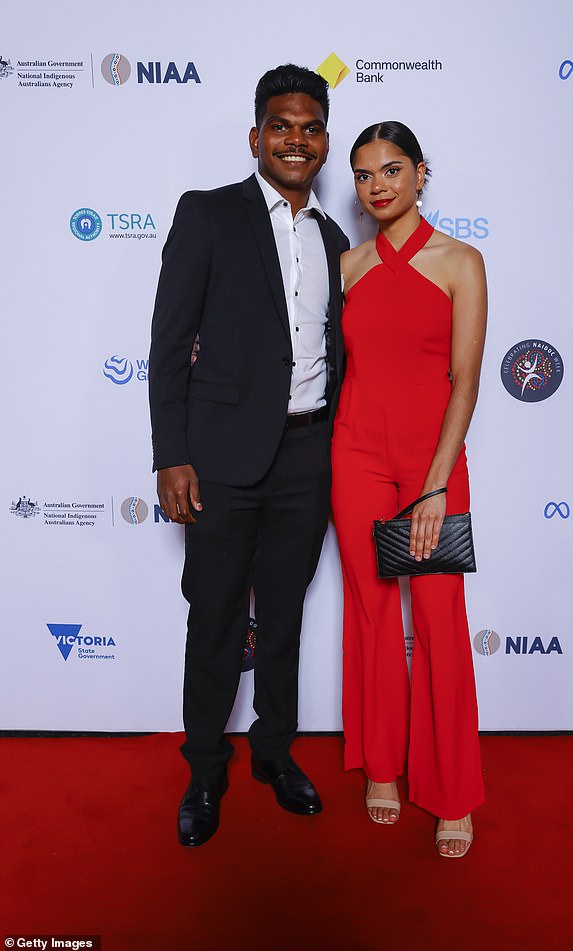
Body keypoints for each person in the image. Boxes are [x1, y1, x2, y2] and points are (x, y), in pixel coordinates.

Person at [148, 64, 349, 847]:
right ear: (256, 135)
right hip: (222, 459)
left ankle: (273, 751)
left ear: (323, 141)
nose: (295, 139)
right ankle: (204, 767)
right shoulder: (208, 215)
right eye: (281, 125)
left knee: (288, 615)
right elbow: (168, 346)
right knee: (218, 617)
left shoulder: (333, 237)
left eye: (310, 127)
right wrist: (172, 453)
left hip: (308, 455)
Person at [331, 122, 487, 857]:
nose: (379, 185)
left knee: (438, 620)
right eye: (364, 175)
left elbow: (465, 384)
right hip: (355, 455)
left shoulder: (461, 261)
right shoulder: (349, 265)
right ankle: (382, 765)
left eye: (393, 169)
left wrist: (434, 489)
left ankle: (453, 791)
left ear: (422, 173)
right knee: (368, 614)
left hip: (433, 466)